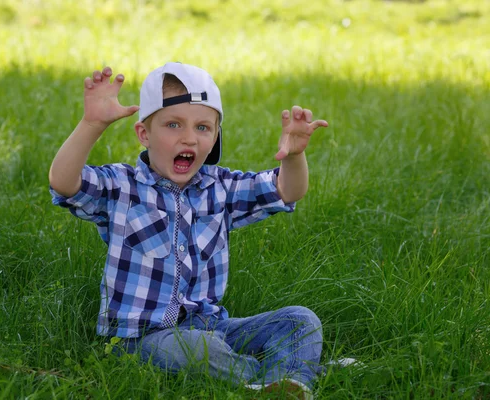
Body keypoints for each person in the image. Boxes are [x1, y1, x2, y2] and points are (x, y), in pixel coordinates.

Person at [49, 62, 329, 398]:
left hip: (214, 327)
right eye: (173, 124)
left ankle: (287, 376)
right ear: (144, 134)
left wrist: (294, 156)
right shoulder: (123, 187)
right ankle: (284, 375)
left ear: (215, 137)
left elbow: (287, 190)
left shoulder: (220, 189)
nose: (189, 138)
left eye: (203, 127)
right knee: (195, 348)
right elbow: (64, 183)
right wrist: (92, 124)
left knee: (300, 320)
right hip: (141, 339)